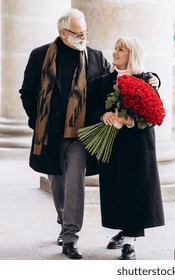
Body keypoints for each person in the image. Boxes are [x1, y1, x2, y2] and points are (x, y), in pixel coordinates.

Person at [19, 9, 160, 259]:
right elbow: (27, 92)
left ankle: (71, 236)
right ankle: (64, 220)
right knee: (58, 183)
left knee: (75, 182)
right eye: (78, 33)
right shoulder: (40, 55)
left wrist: (153, 79)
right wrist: (36, 121)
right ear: (63, 33)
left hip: (80, 135)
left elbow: (124, 80)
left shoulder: (94, 57)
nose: (84, 36)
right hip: (50, 134)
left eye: (86, 32)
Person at [88, 37, 165, 260]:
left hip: (138, 144)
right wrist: (104, 115)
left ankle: (130, 241)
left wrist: (129, 121)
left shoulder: (147, 79)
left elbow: (154, 115)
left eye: (120, 49)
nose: (114, 52)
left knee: (135, 189)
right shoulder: (104, 81)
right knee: (116, 188)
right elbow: (91, 107)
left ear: (132, 53)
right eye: (114, 48)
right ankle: (123, 230)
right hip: (111, 143)